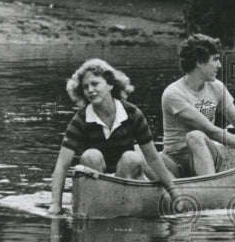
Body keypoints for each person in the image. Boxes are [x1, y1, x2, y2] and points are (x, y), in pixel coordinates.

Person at [48, 59, 176, 216]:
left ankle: (126, 212)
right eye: (86, 87)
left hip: (127, 178)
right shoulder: (80, 119)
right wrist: (56, 204)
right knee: (90, 155)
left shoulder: (132, 114)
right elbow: (62, 164)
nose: (90, 90)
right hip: (97, 184)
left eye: (95, 84)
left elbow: (153, 159)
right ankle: (95, 212)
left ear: (110, 84)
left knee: (131, 157)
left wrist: (173, 192)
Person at [160, 34, 235, 177]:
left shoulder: (216, 87)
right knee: (139, 152)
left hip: (207, 156)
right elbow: (211, 131)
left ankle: (209, 185)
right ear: (199, 63)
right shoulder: (173, 94)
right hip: (175, 160)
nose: (219, 65)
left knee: (195, 137)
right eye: (215, 60)